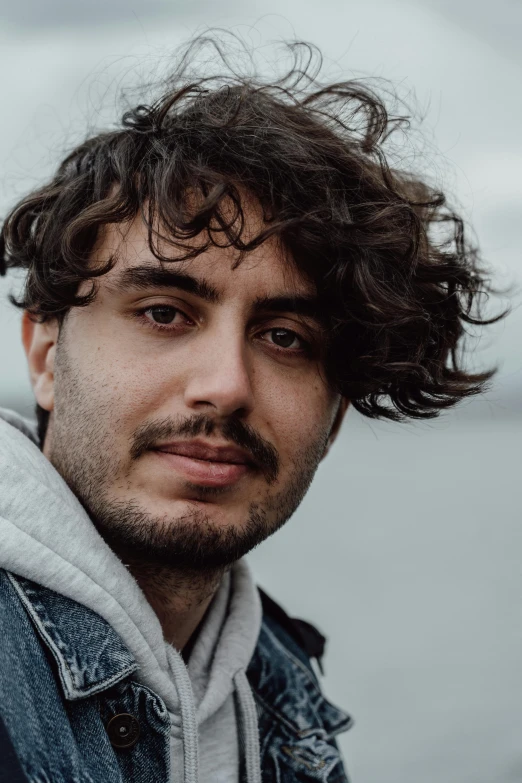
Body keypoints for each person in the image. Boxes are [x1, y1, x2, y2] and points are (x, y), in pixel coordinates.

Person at [0, 38, 501, 783]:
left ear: (333, 418)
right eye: (165, 313)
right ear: (45, 355)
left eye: (284, 337)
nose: (227, 384)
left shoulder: (279, 687)